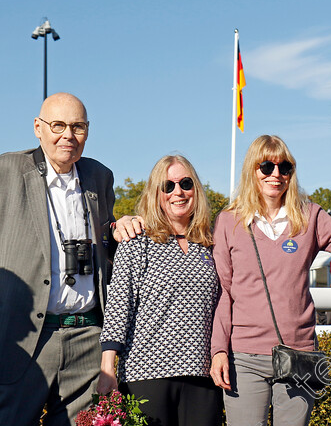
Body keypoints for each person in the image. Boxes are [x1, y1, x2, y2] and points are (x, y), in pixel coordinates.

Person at [208, 135, 331, 426]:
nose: (276, 174)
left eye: (285, 167)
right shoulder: (228, 222)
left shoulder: (310, 216)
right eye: (266, 166)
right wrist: (218, 350)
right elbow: (223, 292)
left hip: (299, 354)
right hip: (243, 357)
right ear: (251, 170)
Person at [0, 92, 116, 425]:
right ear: (38, 128)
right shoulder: (7, 170)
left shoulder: (99, 176)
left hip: (86, 338)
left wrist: (120, 227)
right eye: (58, 125)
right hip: (25, 340)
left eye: (77, 126)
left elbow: (106, 239)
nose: (68, 135)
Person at [97, 155, 222, 425]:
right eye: (168, 186)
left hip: (202, 376)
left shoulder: (212, 244)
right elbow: (120, 306)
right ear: (157, 193)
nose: (178, 192)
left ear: (196, 190)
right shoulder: (136, 242)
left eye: (185, 183)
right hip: (146, 375)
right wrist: (108, 367)